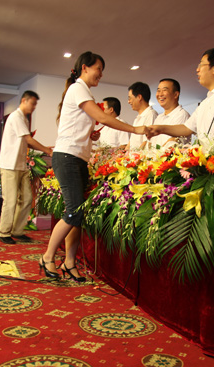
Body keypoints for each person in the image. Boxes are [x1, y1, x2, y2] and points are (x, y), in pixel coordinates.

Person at [39, 51, 148, 282]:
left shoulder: (84, 91)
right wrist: (135, 130)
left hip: (78, 158)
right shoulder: (77, 88)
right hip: (67, 157)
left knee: (78, 214)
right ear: (85, 68)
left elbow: (82, 125)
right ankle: (47, 256)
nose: (101, 74)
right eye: (99, 68)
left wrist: (91, 134)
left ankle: (69, 262)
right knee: (73, 212)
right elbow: (105, 118)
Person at [147, 48, 214, 147]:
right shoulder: (205, 102)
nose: (197, 70)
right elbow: (186, 128)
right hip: (208, 156)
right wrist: (160, 129)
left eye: (201, 65)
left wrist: (204, 152)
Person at [0, 90, 53, 244]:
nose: (34, 107)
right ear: (24, 101)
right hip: (9, 165)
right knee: (10, 200)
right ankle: (4, 232)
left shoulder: (24, 119)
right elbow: (28, 139)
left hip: (21, 165)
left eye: (35, 104)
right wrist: (47, 150)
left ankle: (17, 230)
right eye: (32, 103)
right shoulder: (15, 116)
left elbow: (24, 142)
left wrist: (45, 148)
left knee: (27, 198)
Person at [151, 78, 191, 148]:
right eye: (158, 90)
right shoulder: (159, 117)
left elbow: (173, 142)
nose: (160, 94)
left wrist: (155, 153)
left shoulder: (182, 115)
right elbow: (152, 143)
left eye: (164, 90)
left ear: (176, 94)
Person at [126, 82, 158, 150]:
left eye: (130, 98)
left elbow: (147, 141)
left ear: (139, 97)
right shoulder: (137, 118)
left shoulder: (151, 114)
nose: (128, 102)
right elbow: (131, 142)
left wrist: (136, 155)